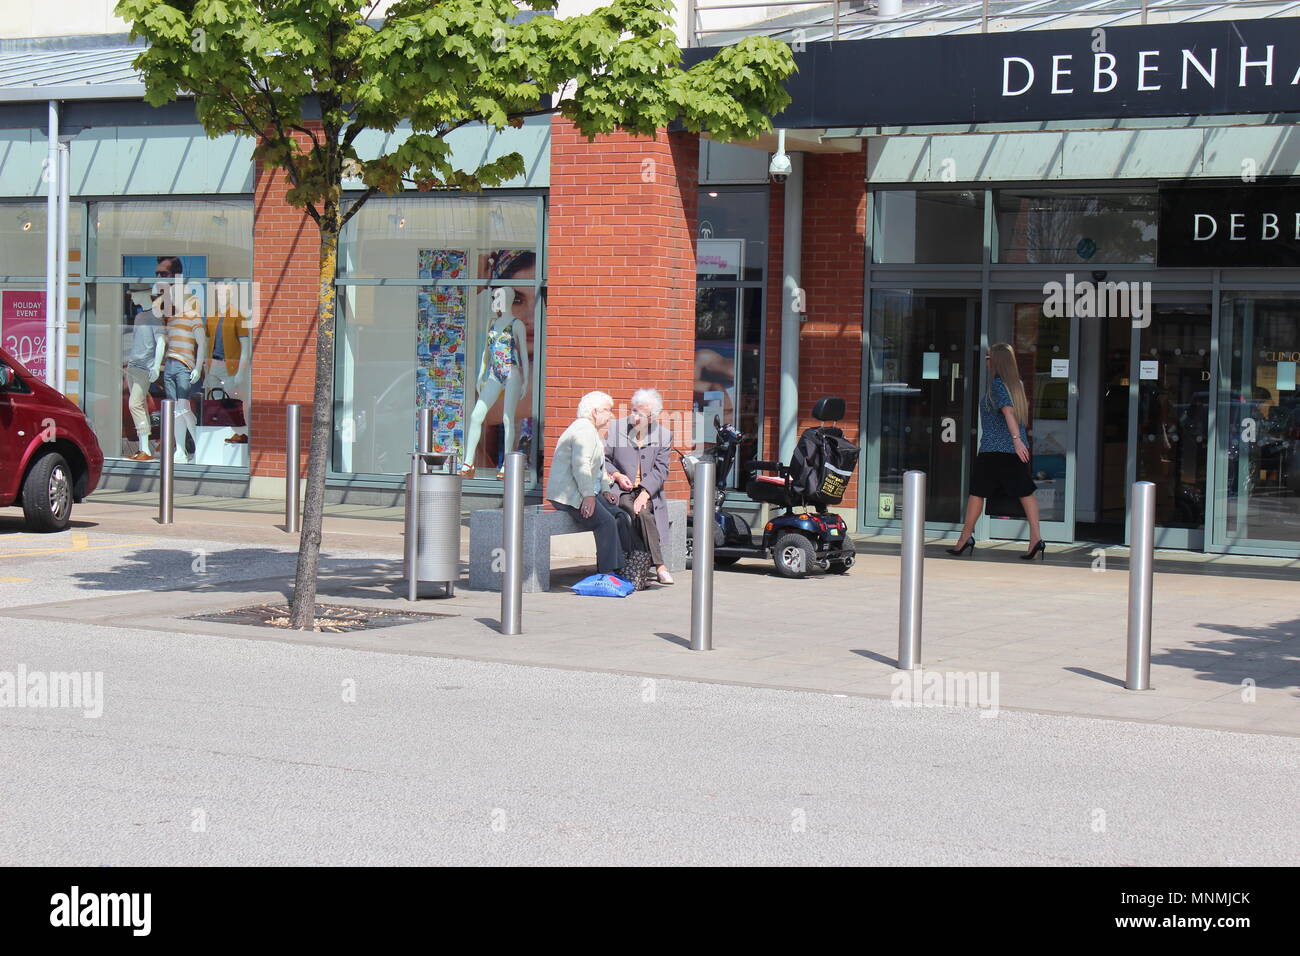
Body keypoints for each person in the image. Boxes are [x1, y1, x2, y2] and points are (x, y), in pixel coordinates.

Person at [948, 342, 1045, 560]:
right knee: (1025, 492)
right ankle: (1036, 539)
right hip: (1010, 451)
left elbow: (1009, 413)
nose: (986, 361)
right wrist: (1019, 443)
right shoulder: (1016, 385)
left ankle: (965, 539)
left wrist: (1016, 440)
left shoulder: (998, 385)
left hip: (995, 450)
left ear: (997, 361)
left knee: (977, 493)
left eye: (988, 357)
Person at [546, 390, 631, 578]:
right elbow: (581, 466)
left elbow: (598, 468)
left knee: (619, 516)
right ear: (594, 412)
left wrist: (606, 490)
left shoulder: (591, 431)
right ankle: (608, 573)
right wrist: (589, 497)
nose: (611, 415)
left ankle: (621, 566)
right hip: (569, 496)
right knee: (606, 522)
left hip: (585, 491)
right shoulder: (583, 430)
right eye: (608, 410)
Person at [606, 388, 674, 585]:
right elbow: (604, 458)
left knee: (643, 512)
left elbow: (661, 470)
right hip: (623, 488)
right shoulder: (617, 428)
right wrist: (617, 475)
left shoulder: (663, 435)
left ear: (652, 417)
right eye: (633, 411)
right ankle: (660, 565)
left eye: (640, 414)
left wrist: (645, 493)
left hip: (648, 490)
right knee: (634, 510)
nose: (634, 417)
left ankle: (651, 565)